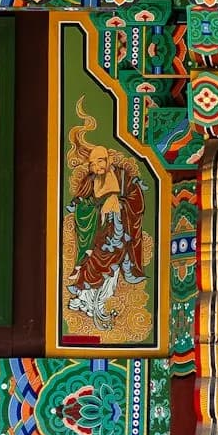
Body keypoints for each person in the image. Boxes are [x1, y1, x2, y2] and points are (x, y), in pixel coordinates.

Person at [66, 136, 149, 330]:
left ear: (108, 159)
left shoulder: (121, 177)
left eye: (100, 161)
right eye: (93, 164)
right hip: (98, 234)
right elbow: (82, 203)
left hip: (118, 232)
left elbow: (136, 200)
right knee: (93, 264)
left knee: (112, 268)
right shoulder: (91, 181)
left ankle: (100, 303)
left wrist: (119, 203)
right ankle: (85, 300)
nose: (96, 167)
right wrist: (96, 207)